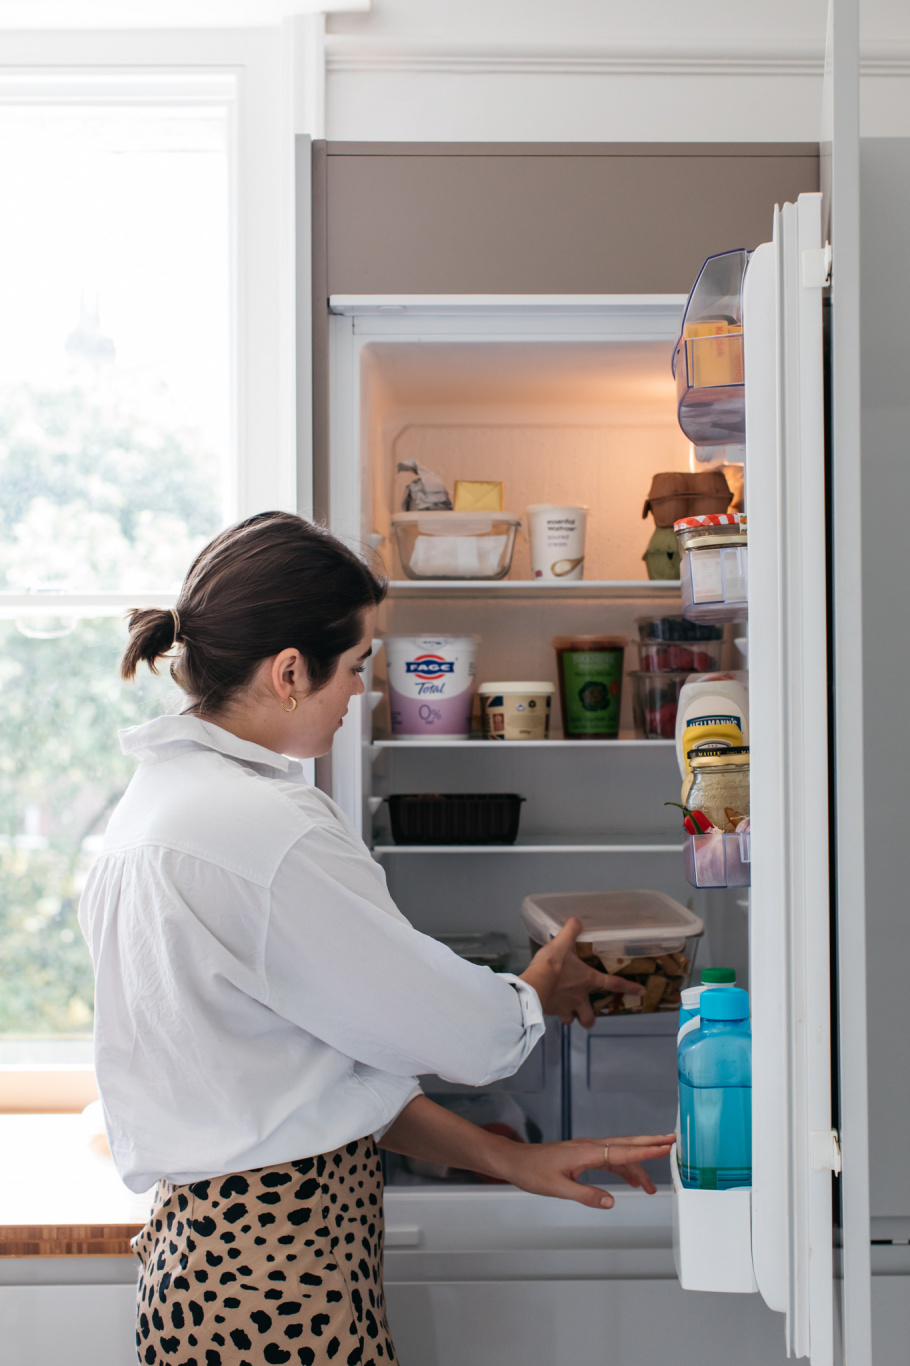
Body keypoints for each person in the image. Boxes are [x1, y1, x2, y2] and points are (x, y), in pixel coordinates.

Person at [79, 512, 674, 1366]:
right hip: (278, 1279)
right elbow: (470, 1038)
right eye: (357, 665)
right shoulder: (268, 828)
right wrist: (537, 986)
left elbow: (307, 1086)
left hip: (203, 1264)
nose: (361, 691)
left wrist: (507, 1159)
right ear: (291, 671)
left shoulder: (149, 811)